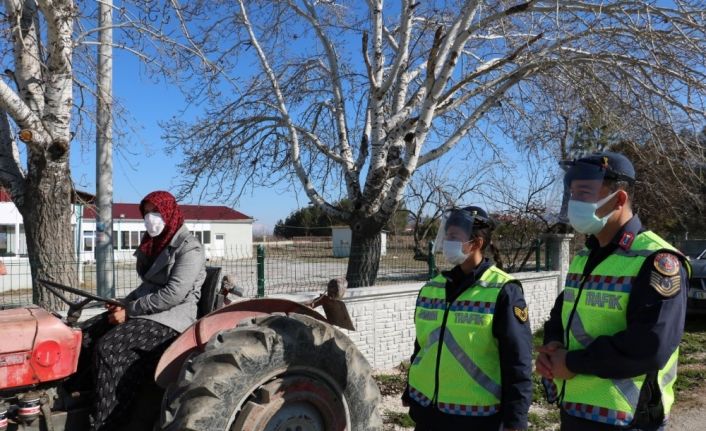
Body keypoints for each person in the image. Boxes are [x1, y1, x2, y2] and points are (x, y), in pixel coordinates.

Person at [536, 152, 690, 431]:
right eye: (572, 193)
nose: (574, 202)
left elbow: (650, 346)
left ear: (619, 199)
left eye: (584, 192)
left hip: (628, 420)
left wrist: (571, 362)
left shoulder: (656, 260)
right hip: (576, 411)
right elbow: (563, 311)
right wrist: (553, 344)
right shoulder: (584, 257)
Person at [77, 190, 206, 431]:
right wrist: (123, 303)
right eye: (146, 212)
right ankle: (76, 402)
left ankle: (109, 423)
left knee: (110, 348)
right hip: (148, 312)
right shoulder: (154, 244)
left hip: (173, 319)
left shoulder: (190, 248)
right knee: (83, 335)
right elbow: (146, 287)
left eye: (155, 211)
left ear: (169, 211)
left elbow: (173, 294)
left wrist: (130, 312)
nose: (150, 218)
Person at [403, 206, 533, 431]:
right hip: (427, 413)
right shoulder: (432, 288)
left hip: (475, 417)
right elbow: (423, 346)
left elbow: (517, 360)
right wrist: (410, 388)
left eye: (454, 236)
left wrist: (516, 419)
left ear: (476, 243)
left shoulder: (504, 291)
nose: (446, 241)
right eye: (447, 234)